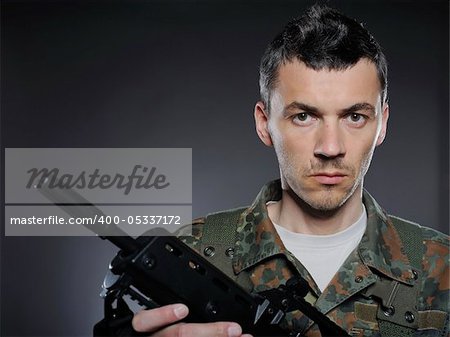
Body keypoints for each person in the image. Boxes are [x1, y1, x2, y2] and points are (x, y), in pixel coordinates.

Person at [131, 4, 449, 337]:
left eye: (355, 117)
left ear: (382, 124)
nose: (330, 147)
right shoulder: (191, 255)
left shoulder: (440, 267)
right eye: (303, 117)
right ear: (264, 123)